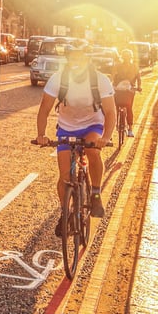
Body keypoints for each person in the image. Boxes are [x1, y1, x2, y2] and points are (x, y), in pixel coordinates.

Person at [35, 46, 116, 231]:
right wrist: (41, 134)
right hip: (67, 127)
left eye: (80, 58)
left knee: (92, 151)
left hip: (92, 125)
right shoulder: (59, 78)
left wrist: (106, 137)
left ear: (87, 60)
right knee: (64, 177)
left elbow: (110, 112)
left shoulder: (100, 80)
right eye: (72, 59)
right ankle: (65, 213)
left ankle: (95, 193)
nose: (76, 62)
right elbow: (44, 108)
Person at [112, 47, 140, 136]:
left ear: (130, 57)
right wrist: (111, 85)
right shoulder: (117, 66)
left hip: (129, 90)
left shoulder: (134, 67)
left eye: (128, 57)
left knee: (129, 108)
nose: (126, 59)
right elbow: (113, 76)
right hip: (118, 89)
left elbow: (138, 78)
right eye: (125, 57)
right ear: (122, 57)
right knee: (115, 109)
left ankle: (130, 128)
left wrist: (139, 86)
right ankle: (113, 128)